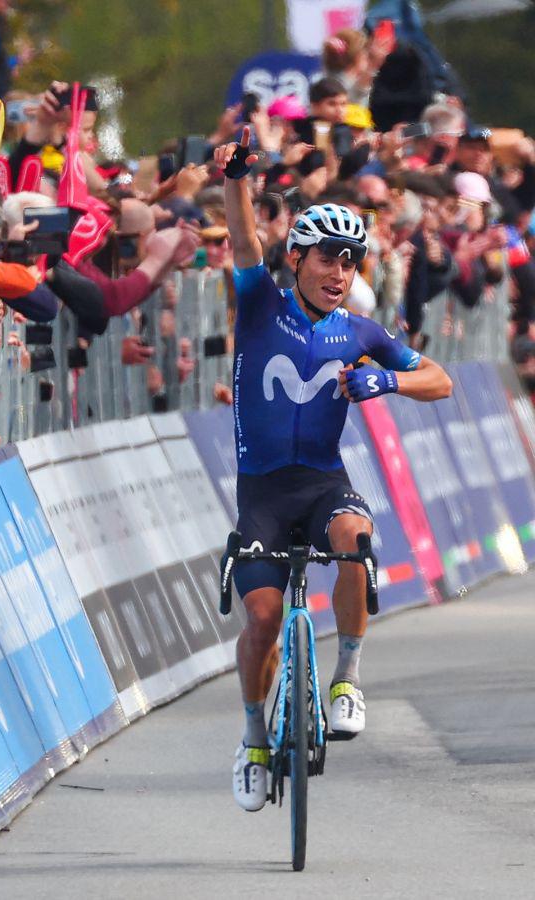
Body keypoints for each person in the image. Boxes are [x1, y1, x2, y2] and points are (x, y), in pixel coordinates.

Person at [215, 127, 453, 813]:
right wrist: (236, 178)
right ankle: (255, 737)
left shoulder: (362, 332)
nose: (340, 271)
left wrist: (390, 385)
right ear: (298, 257)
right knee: (261, 620)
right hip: (261, 490)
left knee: (355, 535)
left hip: (322, 482)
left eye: (352, 260)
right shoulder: (261, 304)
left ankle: (346, 678)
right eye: (328, 257)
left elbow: (439, 380)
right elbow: (240, 240)